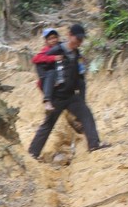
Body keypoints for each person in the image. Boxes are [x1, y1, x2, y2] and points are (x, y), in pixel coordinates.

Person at [28, 23, 110, 159]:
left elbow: (79, 74)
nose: (79, 42)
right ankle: (32, 153)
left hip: (72, 96)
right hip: (57, 97)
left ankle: (94, 144)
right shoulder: (56, 50)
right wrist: (47, 86)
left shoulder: (76, 54)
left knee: (86, 114)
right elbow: (39, 63)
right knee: (47, 125)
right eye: (77, 39)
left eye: (81, 40)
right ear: (70, 36)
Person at [32, 28, 63, 112]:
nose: (53, 40)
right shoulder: (46, 50)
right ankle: (47, 100)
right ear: (46, 41)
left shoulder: (61, 46)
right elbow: (35, 59)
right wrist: (53, 58)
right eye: (50, 39)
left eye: (54, 38)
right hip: (47, 79)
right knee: (51, 73)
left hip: (61, 75)